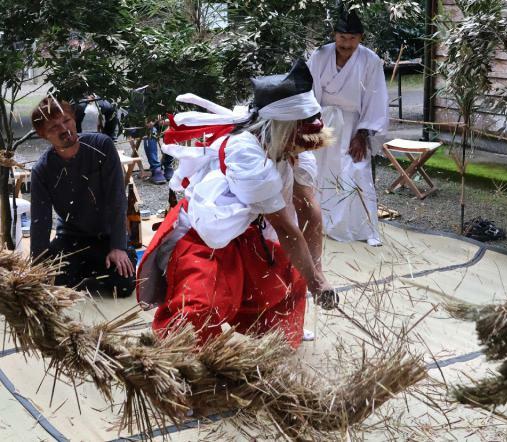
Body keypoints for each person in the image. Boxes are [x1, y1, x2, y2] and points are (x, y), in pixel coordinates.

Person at [137, 60, 337, 348]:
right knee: (201, 306)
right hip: (207, 236)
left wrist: (316, 273)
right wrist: (318, 283)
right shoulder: (245, 151)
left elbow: (307, 209)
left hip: (252, 236)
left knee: (288, 282)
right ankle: (181, 358)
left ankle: (278, 343)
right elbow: (285, 226)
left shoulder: (297, 148)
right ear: (281, 127)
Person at [30, 97, 137, 297]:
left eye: (67, 120)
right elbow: (40, 222)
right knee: (53, 284)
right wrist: (37, 268)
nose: (64, 129)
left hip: (107, 234)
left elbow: (117, 199)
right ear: (43, 135)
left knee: (123, 285)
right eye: (54, 127)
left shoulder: (101, 145)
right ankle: (83, 272)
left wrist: (118, 246)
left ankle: (89, 271)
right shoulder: (42, 170)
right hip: (70, 237)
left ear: (74, 119)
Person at [307, 8, 389, 246]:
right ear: (335, 35)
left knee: (355, 171)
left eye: (352, 38)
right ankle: (317, 221)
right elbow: (309, 91)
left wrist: (363, 134)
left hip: (354, 124)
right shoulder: (320, 55)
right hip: (322, 121)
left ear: (360, 38)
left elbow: (376, 98)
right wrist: (310, 124)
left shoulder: (370, 60)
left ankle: (362, 229)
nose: (346, 43)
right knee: (317, 170)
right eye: (342, 37)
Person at [143, 116, 174, 185]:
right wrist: (148, 121)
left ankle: (168, 165)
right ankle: (156, 169)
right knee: (151, 131)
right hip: (141, 123)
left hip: (159, 124)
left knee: (171, 129)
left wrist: (165, 121)